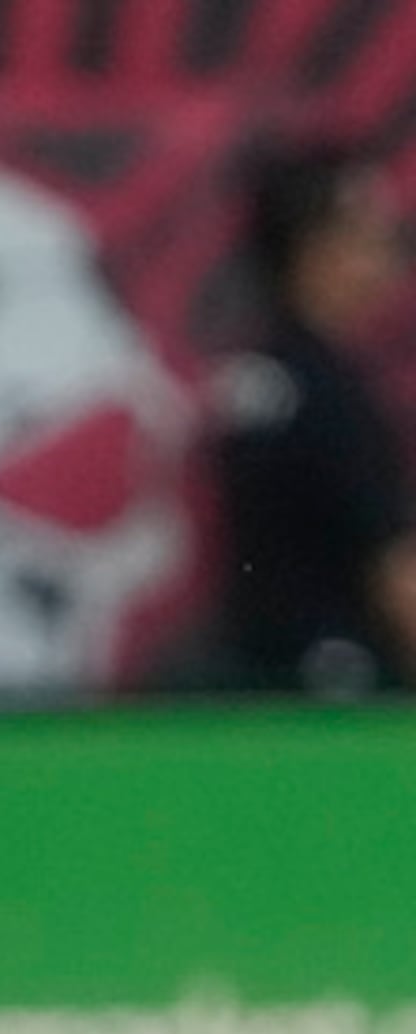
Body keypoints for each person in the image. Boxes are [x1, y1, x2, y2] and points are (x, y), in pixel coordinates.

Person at [210, 144, 416, 696]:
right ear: (316, 251)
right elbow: (395, 572)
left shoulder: (260, 376)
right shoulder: (328, 395)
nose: (389, 263)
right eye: (373, 241)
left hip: (257, 681)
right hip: (335, 690)